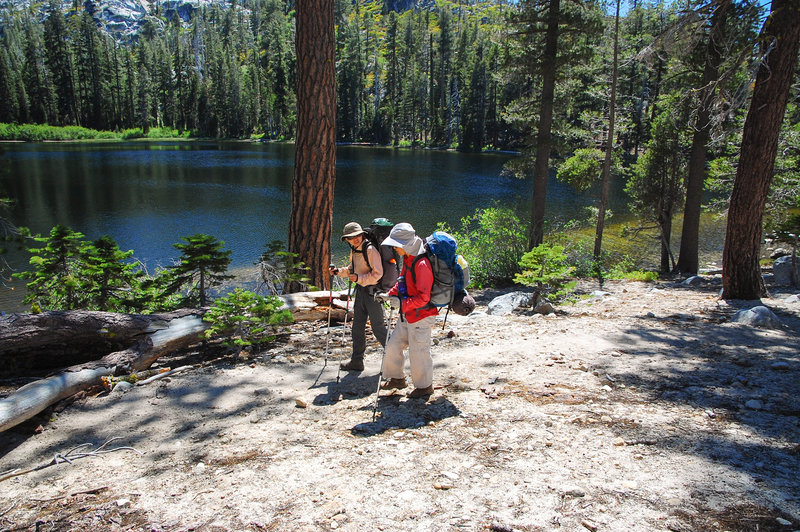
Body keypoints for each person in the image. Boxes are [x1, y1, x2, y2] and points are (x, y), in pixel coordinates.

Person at [377, 223, 438, 399]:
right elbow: (402, 281)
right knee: (393, 346)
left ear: (405, 244)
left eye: (396, 245)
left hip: (421, 316)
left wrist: (402, 303)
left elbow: (424, 298)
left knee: (418, 352)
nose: (395, 248)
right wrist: (390, 294)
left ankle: (424, 387)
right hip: (408, 314)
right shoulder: (409, 258)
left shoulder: (422, 264)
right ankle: (397, 378)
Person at [330, 222, 388, 372]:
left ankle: (395, 359)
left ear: (362, 234)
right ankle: (357, 361)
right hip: (361, 292)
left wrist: (359, 278)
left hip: (373, 293)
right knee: (357, 327)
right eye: (350, 237)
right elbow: (352, 269)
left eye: (357, 235)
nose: (354, 239)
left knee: (378, 328)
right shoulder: (355, 249)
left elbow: (378, 274)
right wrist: (340, 272)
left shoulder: (370, 249)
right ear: (346, 239)